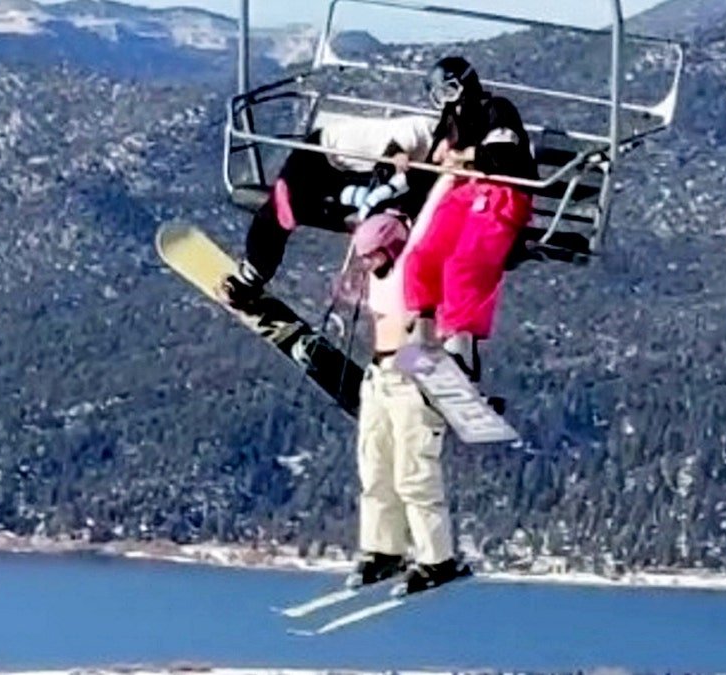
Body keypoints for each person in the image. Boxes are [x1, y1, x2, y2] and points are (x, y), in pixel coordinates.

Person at [218, 55, 492, 311]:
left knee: (387, 219)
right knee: (282, 211)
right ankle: (249, 280)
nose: (452, 158)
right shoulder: (418, 132)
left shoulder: (437, 153)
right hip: (322, 154)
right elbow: (395, 152)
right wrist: (394, 173)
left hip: (354, 168)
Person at [340, 206, 474, 597]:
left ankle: (438, 559)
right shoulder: (379, 275)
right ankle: (384, 549)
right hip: (380, 372)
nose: (367, 264)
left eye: (373, 256)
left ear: (393, 246)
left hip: (413, 370)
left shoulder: (417, 265)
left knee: (413, 472)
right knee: (375, 467)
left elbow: (432, 213)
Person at [403, 94, 538, 381]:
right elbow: (439, 157)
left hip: (503, 194)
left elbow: (503, 156)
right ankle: (423, 330)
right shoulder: (455, 118)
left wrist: (465, 156)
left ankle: (461, 344)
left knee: (463, 263)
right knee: (422, 255)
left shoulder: (496, 110)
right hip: (470, 191)